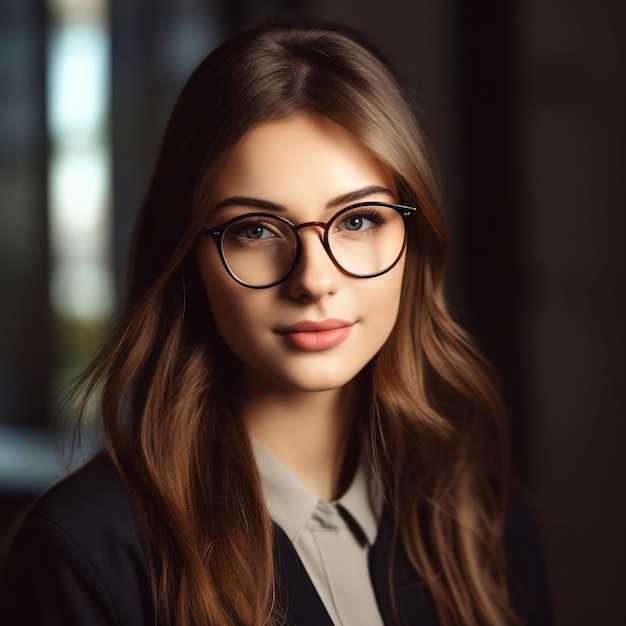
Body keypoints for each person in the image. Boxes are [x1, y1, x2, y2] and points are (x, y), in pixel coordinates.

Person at [0, 17, 553, 626]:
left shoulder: (483, 527)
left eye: (360, 219)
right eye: (255, 230)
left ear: (413, 239)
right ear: (188, 259)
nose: (314, 280)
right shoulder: (89, 554)